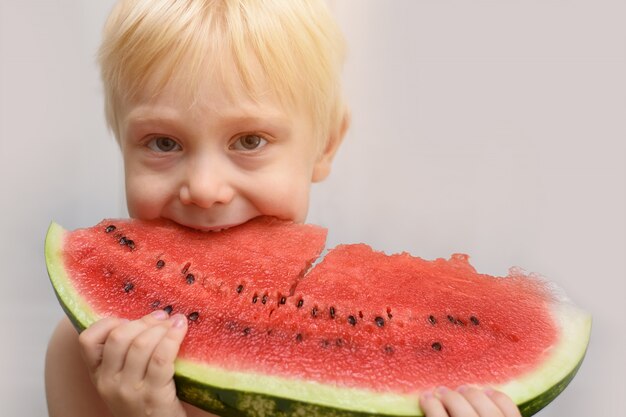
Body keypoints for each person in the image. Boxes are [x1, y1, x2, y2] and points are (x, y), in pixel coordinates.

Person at [45, 1, 522, 417]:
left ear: (325, 145)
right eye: (163, 142)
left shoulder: (400, 354)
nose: (205, 188)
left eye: (249, 141)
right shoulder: (86, 356)